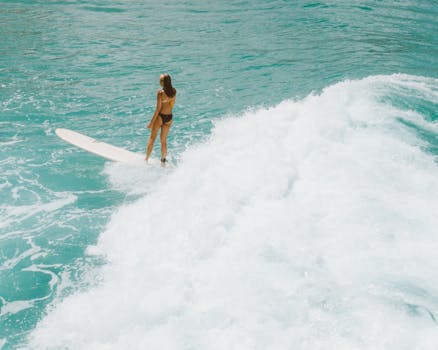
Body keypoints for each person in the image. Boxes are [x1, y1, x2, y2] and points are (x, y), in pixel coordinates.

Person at [145, 73, 177, 165]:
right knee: (163, 141)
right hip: (169, 117)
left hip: (161, 116)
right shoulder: (174, 91)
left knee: (152, 138)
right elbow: (172, 104)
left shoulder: (160, 93)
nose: (159, 81)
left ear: (164, 82)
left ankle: (146, 159)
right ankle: (163, 161)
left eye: (160, 80)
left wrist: (151, 122)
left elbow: (158, 109)